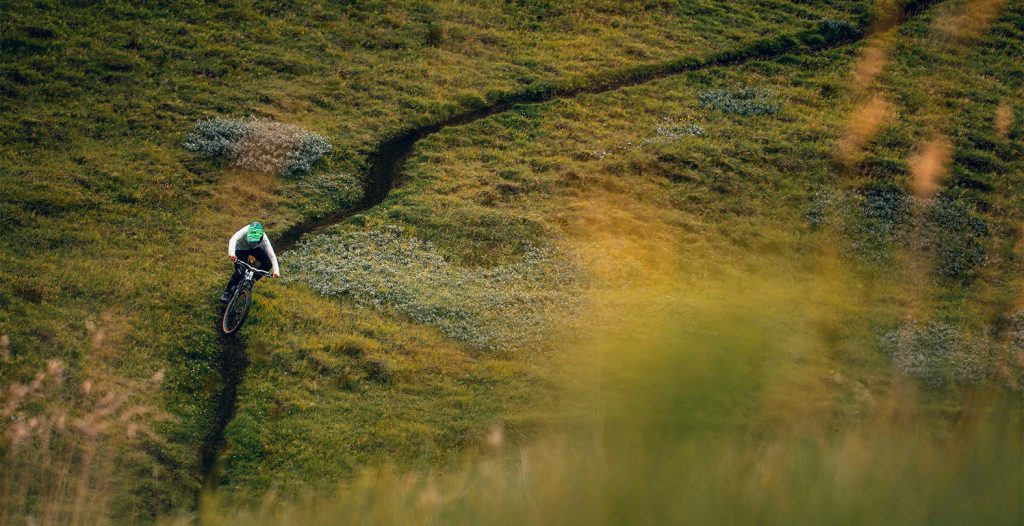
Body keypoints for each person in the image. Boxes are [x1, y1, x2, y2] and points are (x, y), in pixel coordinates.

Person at [221, 222, 280, 303]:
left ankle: (253, 279)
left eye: (254, 242)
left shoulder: (264, 238)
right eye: (251, 241)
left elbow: (271, 254)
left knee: (268, 263)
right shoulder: (245, 230)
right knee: (240, 272)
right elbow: (233, 239)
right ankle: (227, 292)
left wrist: (276, 271)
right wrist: (232, 254)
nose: (252, 243)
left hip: (254, 249)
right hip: (240, 249)